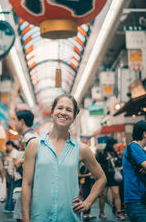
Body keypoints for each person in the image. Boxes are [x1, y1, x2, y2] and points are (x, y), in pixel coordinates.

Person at [22, 93, 107, 222]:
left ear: (73, 117)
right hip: (39, 217)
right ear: (52, 112)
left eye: (69, 110)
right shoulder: (34, 145)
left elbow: (101, 178)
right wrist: (25, 219)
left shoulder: (82, 149)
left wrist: (87, 202)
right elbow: (27, 184)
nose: (63, 112)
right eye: (60, 108)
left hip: (69, 217)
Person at [13, 109, 38, 222]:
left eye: (15, 120)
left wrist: (20, 162)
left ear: (22, 121)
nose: (14, 123)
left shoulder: (30, 137)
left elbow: (37, 155)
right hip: (25, 181)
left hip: (26, 181)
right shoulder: (28, 136)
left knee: (23, 214)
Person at [122, 120, 146, 222]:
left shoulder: (140, 150)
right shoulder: (134, 147)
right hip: (137, 201)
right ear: (145, 133)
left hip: (140, 200)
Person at [96, 137, 125, 220]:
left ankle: (119, 213)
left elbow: (118, 163)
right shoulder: (102, 153)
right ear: (111, 144)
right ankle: (101, 212)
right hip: (104, 177)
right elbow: (97, 163)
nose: (116, 146)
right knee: (103, 195)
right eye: (115, 144)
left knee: (116, 194)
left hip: (113, 177)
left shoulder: (115, 153)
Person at [3, 140, 19, 213]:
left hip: (12, 174)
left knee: (11, 191)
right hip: (10, 174)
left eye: (7, 146)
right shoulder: (12, 152)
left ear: (10, 145)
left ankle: (9, 207)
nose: (7, 147)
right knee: (10, 191)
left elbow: (14, 163)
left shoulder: (14, 152)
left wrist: (12, 173)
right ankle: (9, 207)